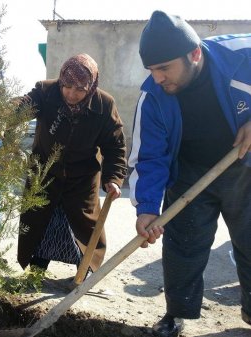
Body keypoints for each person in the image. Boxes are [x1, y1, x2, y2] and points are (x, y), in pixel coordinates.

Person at [128, 10, 251, 337]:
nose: (157, 78)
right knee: (183, 247)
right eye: (151, 70)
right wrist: (147, 209)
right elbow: (148, 157)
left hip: (243, 167)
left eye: (164, 68)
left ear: (194, 54)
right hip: (189, 173)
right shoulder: (152, 97)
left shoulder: (242, 55)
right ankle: (177, 314)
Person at [17, 53, 127, 277]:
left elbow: (115, 147)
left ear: (91, 86)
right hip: (44, 174)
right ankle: (37, 269)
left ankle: (84, 270)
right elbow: (25, 104)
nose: (71, 94)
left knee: (82, 227)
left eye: (80, 90)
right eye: (66, 87)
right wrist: (8, 112)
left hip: (82, 179)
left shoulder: (104, 105)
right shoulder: (46, 92)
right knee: (41, 223)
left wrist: (114, 179)